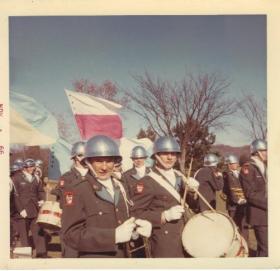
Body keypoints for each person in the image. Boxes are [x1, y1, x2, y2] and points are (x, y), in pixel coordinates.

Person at [62, 135, 152, 258]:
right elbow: (70, 235)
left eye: (109, 161)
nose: (104, 167)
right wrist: (112, 236)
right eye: (98, 161)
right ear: (88, 162)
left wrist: (139, 226)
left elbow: (126, 216)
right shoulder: (77, 189)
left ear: (115, 162)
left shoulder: (120, 186)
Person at [131, 136, 199, 258]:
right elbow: (136, 213)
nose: (170, 157)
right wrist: (163, 216)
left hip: (187, 237)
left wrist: (193, 192)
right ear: (156, 156)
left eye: (173, 154)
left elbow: (193, 206)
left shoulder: (180, 176)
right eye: (165, 153)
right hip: (164, 242)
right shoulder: (147, 182)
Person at [51, 141, 88, 258]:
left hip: (91, 224)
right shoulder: (66, 178)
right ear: (74, 157)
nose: (84, 158)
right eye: (81, 155)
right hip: (71, 225)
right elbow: (59, 201)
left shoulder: (95, 176)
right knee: (71, 257)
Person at [11, 158, 47, 258]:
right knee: (24, 236)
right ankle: (24, 256)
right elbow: (15, 196)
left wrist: (42, 200)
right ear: (24, 168)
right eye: (29, 167)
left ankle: (41, 254)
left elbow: (41, 192)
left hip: (35, 210)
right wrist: (20, 209)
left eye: (33, 166)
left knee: (38, 232)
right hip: (22, 211)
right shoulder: (16, 178)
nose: (32, 168)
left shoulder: (36, 178)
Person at [239, 139, 268, 257]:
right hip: (259, 214)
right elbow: (250, 194)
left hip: (267, 213)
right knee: (266, 248)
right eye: (264, 150)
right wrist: (270, 203)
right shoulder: (248, 168)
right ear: (257, 152)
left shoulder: (263, 166)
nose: (267, 152)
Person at [223, 154, 248, 242]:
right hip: (233, 205)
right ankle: (236, 244)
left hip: (243, 203)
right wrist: (238, 200)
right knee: (235, 225)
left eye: (237, 163)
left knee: (243, 225)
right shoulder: (227, 175)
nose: (237, 165)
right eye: (234, 163)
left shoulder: (239, 173)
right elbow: (231, 190)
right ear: (229, 164)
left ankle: (244, 243)